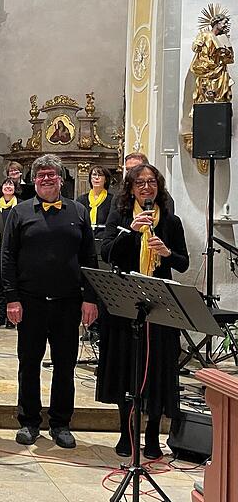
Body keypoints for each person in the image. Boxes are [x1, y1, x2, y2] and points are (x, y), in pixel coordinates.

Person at [0, 154, 98, 449]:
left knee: (65, 364)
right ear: (33, 180)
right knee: (29, 363)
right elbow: (7, 257)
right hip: (30, 302)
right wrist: (12, 298)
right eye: (41, 175)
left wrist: (90, 299)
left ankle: (60, 423)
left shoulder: (78, 211)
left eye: (51, 174)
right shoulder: (19, 212)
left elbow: (89, 258)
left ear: (61, 179)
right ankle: (29, 421)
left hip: (68, 302)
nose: (46, 179)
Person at [98, 163, 189, 459]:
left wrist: (166, 253)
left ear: (158, 187)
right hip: (127, 304)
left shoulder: (171, 222)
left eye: (151, 182)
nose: (146, 188)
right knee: (127, 368)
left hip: (160, 304)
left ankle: (151, 436)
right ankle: (126, 433)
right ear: (131, 189)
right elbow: (107, 253)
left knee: (158, 370)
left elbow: (183, 263)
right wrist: (130, 232)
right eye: (140, 183)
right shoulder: (120, 216)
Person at [0, 178, 20, 327]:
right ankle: (0, 314)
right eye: (6, 184)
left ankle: (11, 317)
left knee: (11, 280)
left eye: (11, 184)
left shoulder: (20, 205)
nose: (8, 187)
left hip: (14, 246)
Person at [76, 166, 113, 237]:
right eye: (94, 175)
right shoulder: (81, 200)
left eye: (100, 175)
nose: (97, 177)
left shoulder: (113, 200)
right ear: (90, 179)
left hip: (104, 238)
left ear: (105, 180)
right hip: (85, 237)